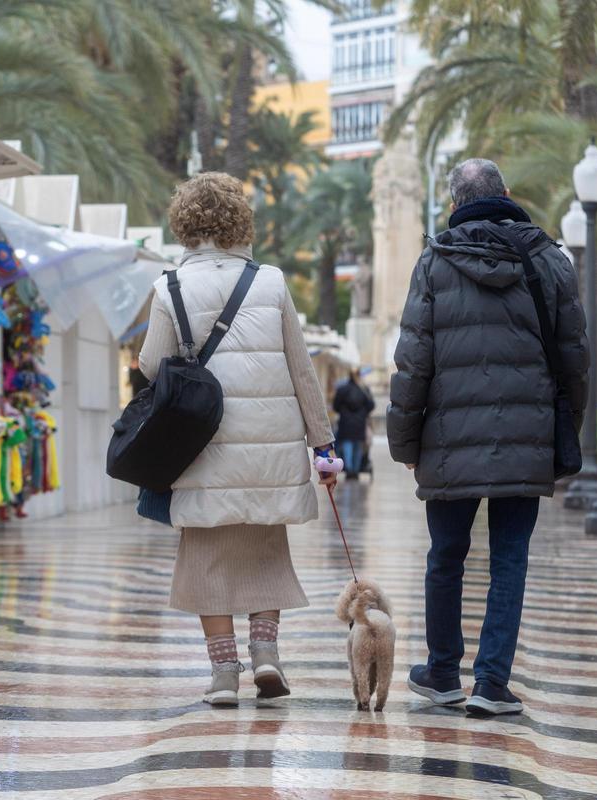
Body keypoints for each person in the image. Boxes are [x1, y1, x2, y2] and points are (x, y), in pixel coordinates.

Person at [387, 159, 589, 716]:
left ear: (454, 206)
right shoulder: (550, 260)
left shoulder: (434, 261)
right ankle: (492, 683)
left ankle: (443, 672)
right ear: (507, 194)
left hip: (448, 441)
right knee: (510, 558)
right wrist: (563, 430)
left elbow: (412, 364)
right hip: (527, 436)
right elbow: (575, 359)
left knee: (446, 555)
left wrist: (405, 445)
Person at [139, 172, 337, 706]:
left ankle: (224, 673)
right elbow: (301, 370)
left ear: (184, 224)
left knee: (205, 556)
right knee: (265, 551)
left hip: (202, 443)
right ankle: (267, 656)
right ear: (239, 221)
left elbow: (152, 364)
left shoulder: (169, 287)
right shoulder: (270, 282)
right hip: (269, 449)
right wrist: (323, 445)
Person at [332, 368, 374, 479]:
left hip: (345, 423)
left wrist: (343, 411)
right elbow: (371, 405)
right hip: (360, 423)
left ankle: (349, 469)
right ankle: (355, 470)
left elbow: (335, 406)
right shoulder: (364, 390)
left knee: (347, 445)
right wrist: (363, 412)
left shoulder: (342, 389)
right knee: (357, 447)